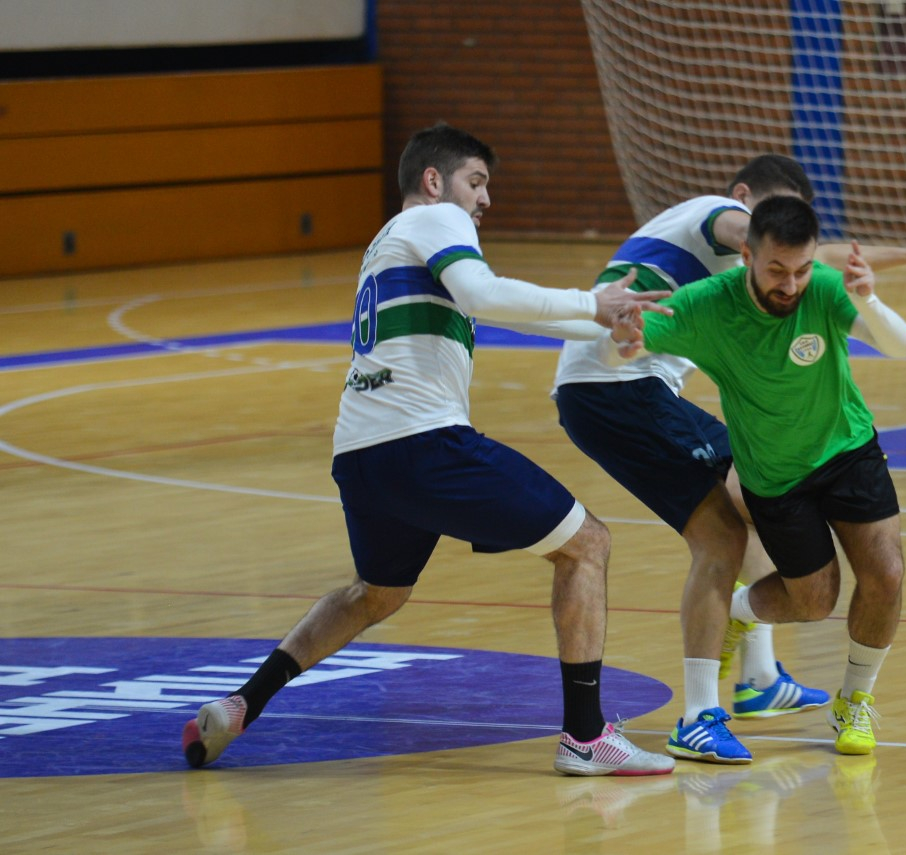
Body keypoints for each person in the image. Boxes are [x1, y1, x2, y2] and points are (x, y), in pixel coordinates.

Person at [181, 122, 676, 777]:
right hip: (423, 441)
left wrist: (600, 319)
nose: (485, 199)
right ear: (435, 181)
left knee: (376, 594)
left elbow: (501, 305)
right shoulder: (438, 218)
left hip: (361, 454)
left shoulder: (394, 244)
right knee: (588, 544)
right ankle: (585, 736)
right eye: (478, 181)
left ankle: (243, 702)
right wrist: (594, 299)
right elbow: (485, 294)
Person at [553, 155, 906, 764]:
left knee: (755, 507)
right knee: (724, 534)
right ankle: (703, 709)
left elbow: (820, 263)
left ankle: (758, 669)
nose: (792, 277)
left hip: (650, 392)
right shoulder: (719, 224)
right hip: (615, 389)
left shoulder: (791, 276)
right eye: (772, 253)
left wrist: (905, 262)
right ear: (746, 218)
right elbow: (775, 244)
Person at [604, 193, 906, 758]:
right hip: (773, 479)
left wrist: (867, 300)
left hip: (848, 449)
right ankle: (740, 613)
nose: (790, 284)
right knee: (815, 601)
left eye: (800, 269)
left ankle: (855, 701)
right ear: (746, 255)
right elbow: (624, 350)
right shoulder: (705, 306)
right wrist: (623, 338)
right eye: (776, 269)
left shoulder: (823, 287)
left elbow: (902, 347)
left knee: (887, 575)